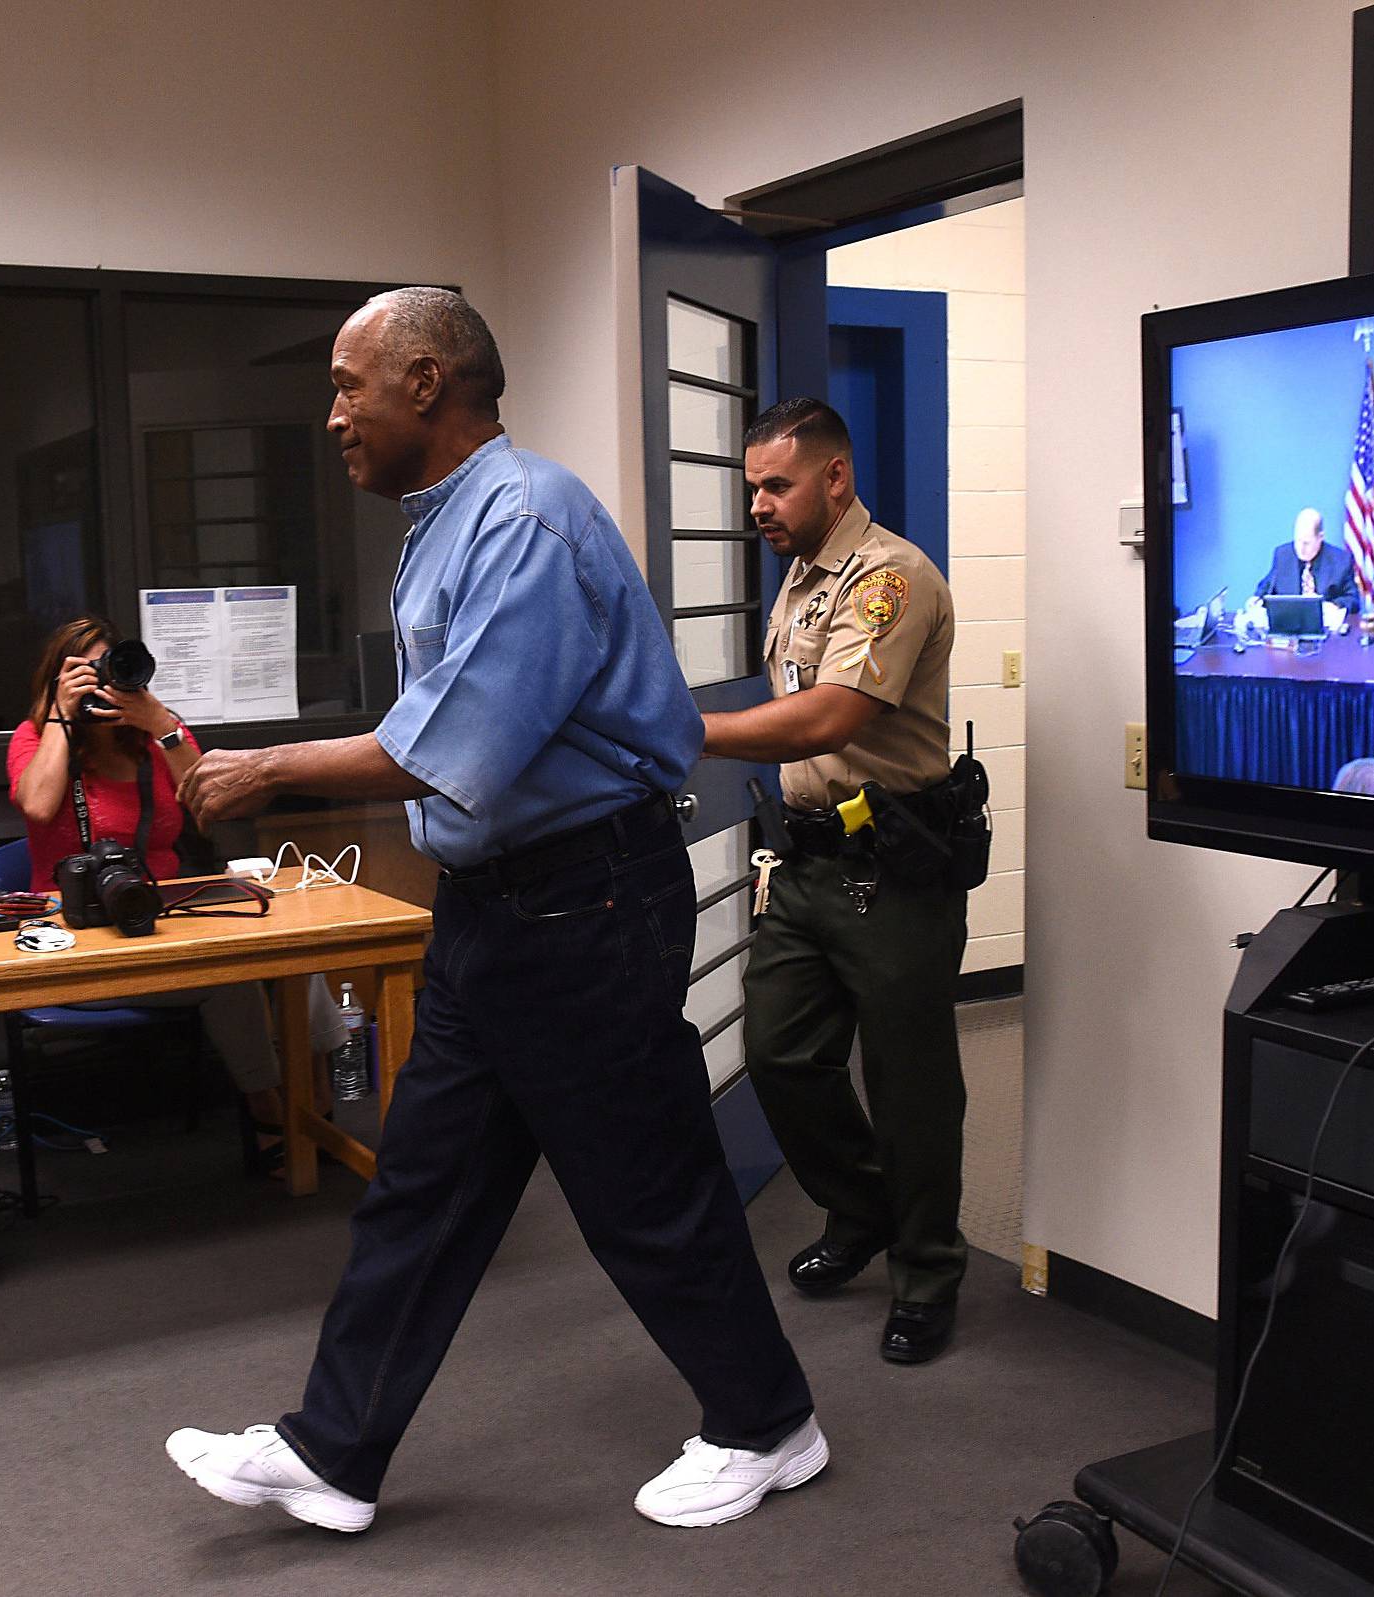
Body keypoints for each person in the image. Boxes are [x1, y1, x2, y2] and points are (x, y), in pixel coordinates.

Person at [161, 288, 820, 1534]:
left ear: (427, 382)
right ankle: (336, 1451)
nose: (333, 414)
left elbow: (455, 739)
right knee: (424, 1187)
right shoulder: (448, 519)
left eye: (351, 385)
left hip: (586, 896)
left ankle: (768, 1421)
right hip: (496, 909)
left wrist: (273, 768)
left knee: (644, 1188)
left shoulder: (522, 519)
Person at [701, 397, 966, 1365]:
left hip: (894, 867)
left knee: (911, 1088)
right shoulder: (803, 579)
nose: (759, 506)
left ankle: (928, 1269)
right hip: (810, 860)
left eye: (777, 485)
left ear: (835, 477)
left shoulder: (890, 576)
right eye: (752, 489)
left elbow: (827, 719)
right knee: (779, 1054)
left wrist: (678, 730)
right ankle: (864, 1212)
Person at [5, 617, 345, 1165]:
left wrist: (160, 723)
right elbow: (40, 805)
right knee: (228, 979)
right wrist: (59, 720)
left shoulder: (155, 736)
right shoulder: (35, 738)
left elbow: (210, 803)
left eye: (109, 669)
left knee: (296, 953)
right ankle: (269, 1115)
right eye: (85, 673)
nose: (101, 684)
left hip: (166, 920)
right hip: (82, 936)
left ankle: (318, 1104)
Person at [1250, 508, 1358, 626]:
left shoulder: (1341, 560)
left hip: (1326, 631)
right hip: (1289, 629)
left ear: (1320, 537)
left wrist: (1335, 605)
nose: (1300, 548)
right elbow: (1266, 587)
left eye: (1306, 543)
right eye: (1297, 541)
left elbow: (1353, 600)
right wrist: (1257, 599)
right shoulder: (1283, 555)